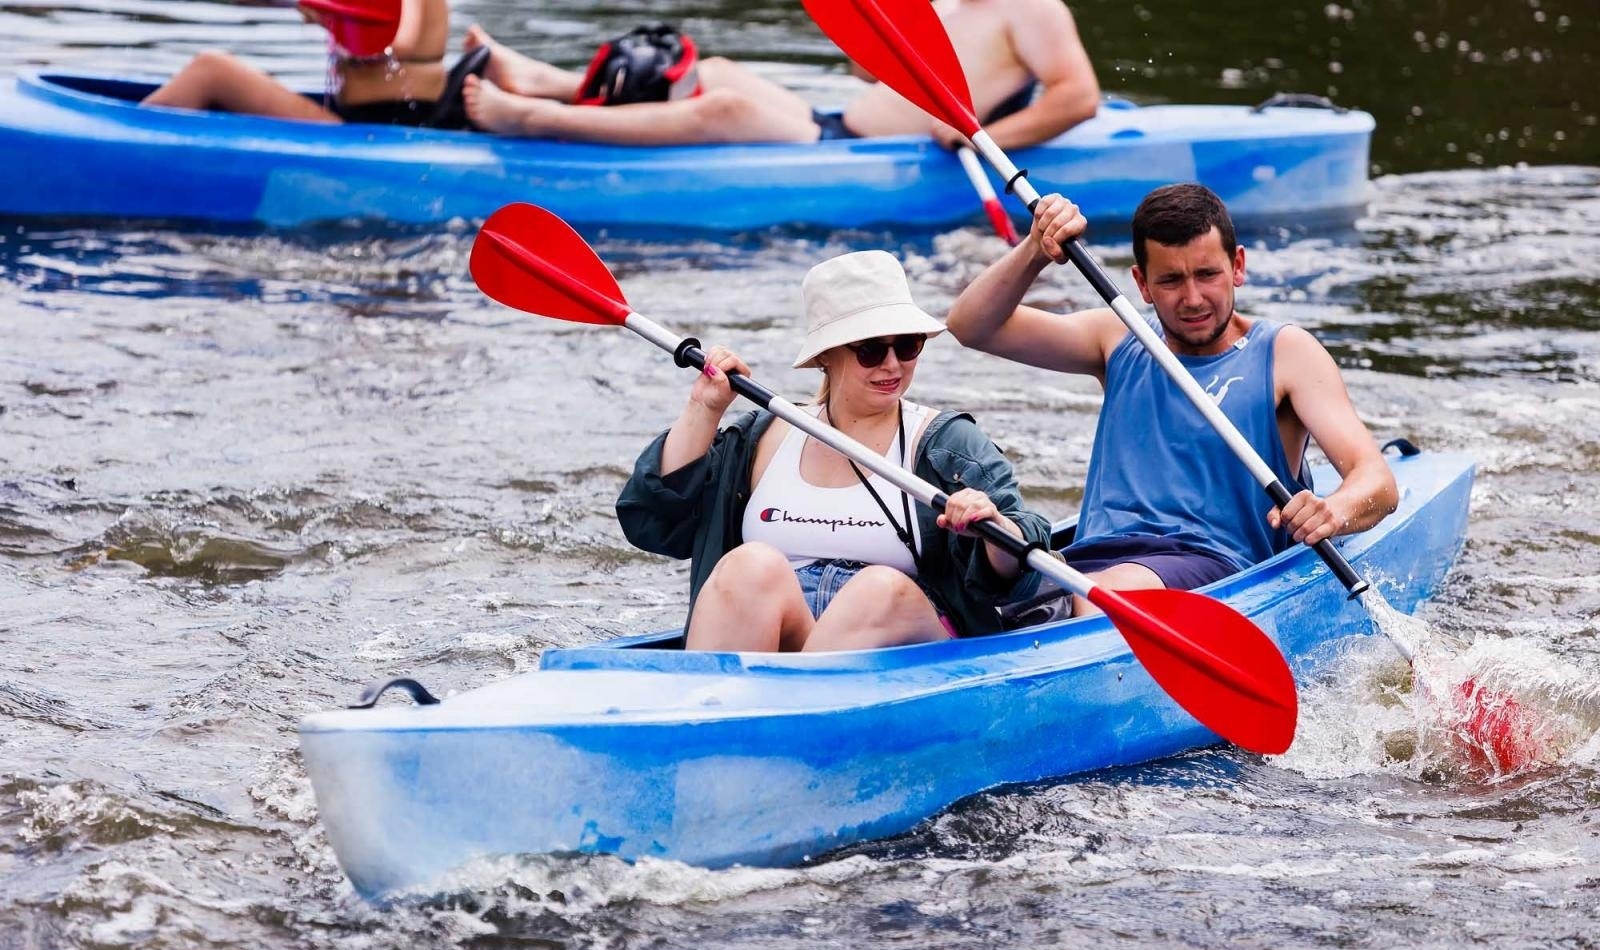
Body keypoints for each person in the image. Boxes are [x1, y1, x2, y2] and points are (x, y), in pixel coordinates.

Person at [946, 182, 1399, 621]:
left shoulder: (1285, 353)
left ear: (1237, 266)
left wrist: (1331, 513)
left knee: (1106, 589)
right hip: (1091, 565)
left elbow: (1376, 481)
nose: (1193, 298)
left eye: (1207, 274)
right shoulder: (1118, 338)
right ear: (1141, 284)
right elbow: (971, 327)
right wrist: (1034, 250)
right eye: (1171, 280)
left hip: (1212, 568)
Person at [616, 251, 1051, 652]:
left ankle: (784, 712)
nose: (893, 365)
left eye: (907, 345)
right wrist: (704, 407)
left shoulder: (947, 444)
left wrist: (992, 526)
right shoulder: (762, 438)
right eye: (870, 350)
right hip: (790, 640)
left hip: (908, 651)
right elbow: (653, 523)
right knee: (748, 566)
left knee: (879, 588)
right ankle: (718, 715)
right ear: (826, 355)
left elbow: (1022, 573)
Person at [460, 0, 1099, 147]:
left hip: (868, 154)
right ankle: (553, 81)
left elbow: (1078, 98)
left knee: (724, 110)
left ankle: (532, 117)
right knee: (713, 69)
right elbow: (864, 71)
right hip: (832, 125)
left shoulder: (1032, 7)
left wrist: (980, 139)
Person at [140, 0, 452, 125]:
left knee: (211, 70)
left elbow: (400, 40)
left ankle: (131, 137)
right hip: (357, 121)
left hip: (387, 127)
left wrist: (328, 18)